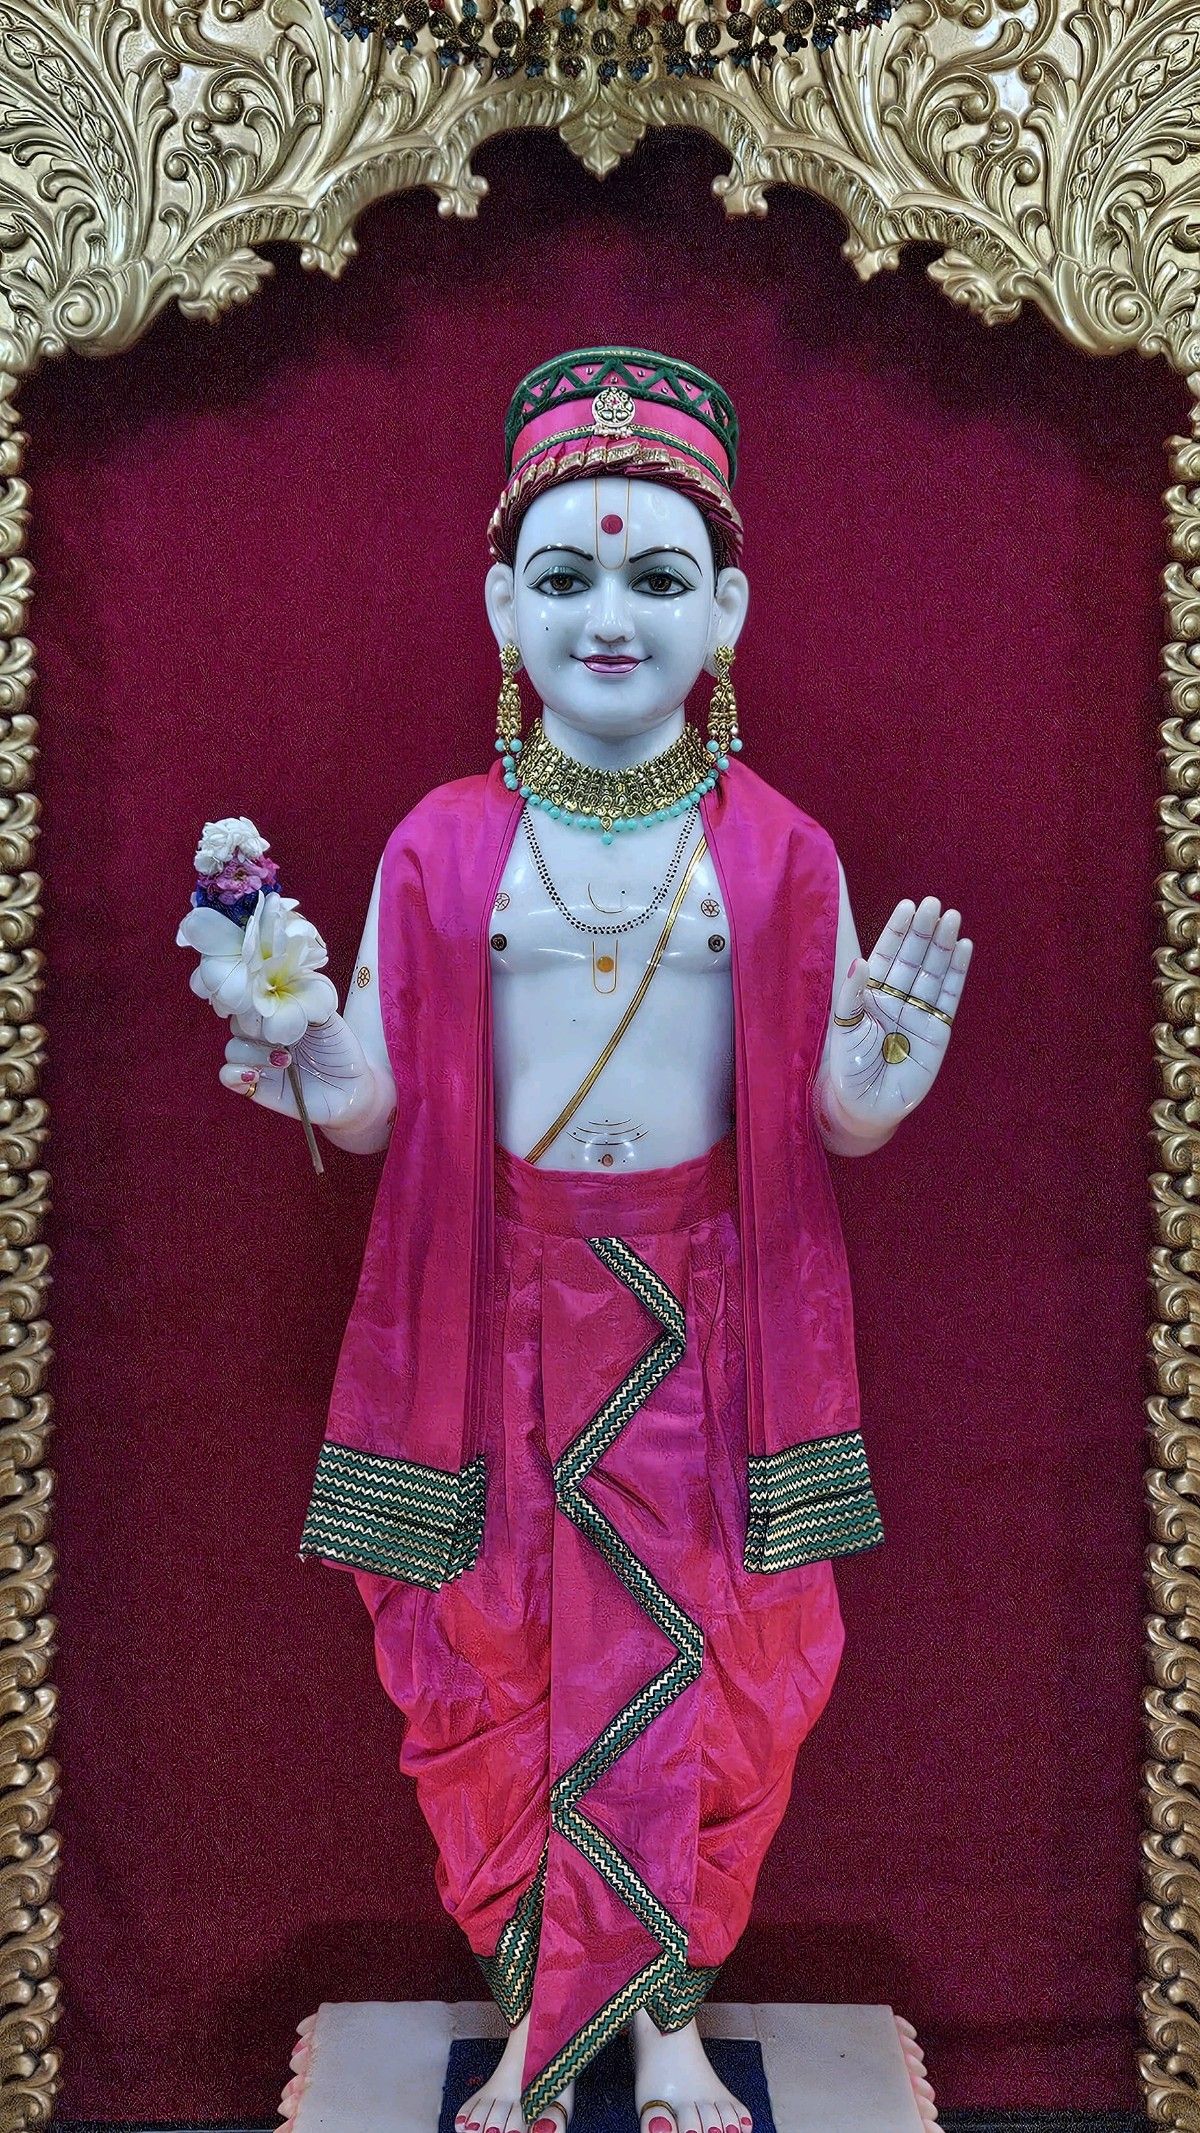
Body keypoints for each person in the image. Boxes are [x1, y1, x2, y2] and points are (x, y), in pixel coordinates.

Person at [216, 348, 972, 2133]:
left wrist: (881, 1085)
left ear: (729, 610)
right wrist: (309, 1052)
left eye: (656, 577)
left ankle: (668, 2028)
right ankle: (535, 2025)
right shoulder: (441, 846)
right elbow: (377, 1109)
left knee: (717, 1671)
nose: (610, 617)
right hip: (498, 1314)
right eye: (565, 576)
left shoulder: (778, 853)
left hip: (713, 1325)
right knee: (499, 1665)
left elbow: (827, 1116)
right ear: (501, 606)